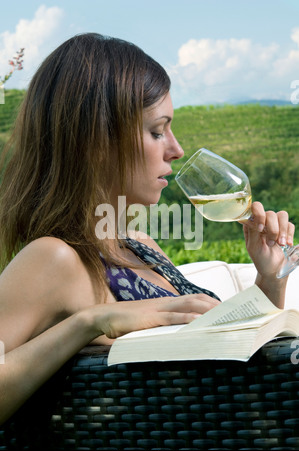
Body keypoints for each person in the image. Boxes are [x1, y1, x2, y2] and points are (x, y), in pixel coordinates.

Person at [0, 33, 295, 425]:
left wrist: (269, 279)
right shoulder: (53, 258)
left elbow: (228, 371)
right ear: (98, 140)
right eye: (157, 131)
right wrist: (90, 322)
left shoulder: (141, 245)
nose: (176, 149)